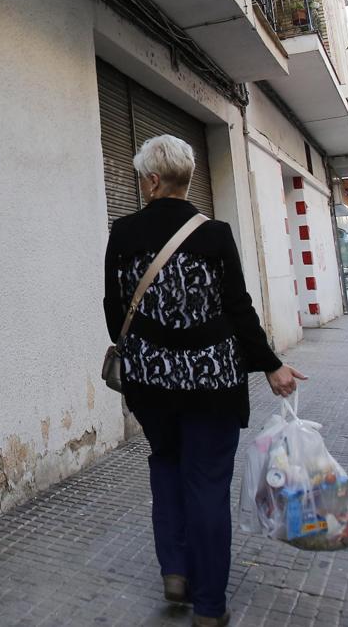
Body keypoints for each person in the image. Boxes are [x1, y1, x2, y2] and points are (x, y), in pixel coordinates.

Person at [103, 134, 305, 627]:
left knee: (166, 467)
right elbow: (238, 309)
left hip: (150, 387)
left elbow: (113, 311)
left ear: (152, 180)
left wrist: (152, 348)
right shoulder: (214, 234)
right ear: (185, 179)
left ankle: (175, 571)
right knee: (207, 485)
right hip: (212, 386)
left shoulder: (123, 232)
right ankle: (210, 607)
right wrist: (271, 363)